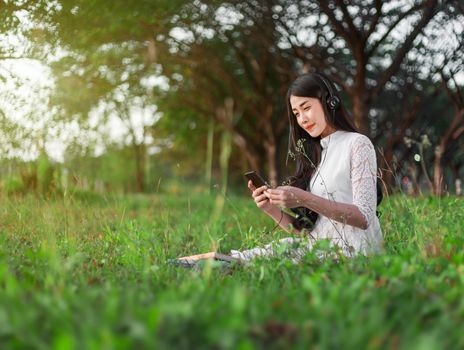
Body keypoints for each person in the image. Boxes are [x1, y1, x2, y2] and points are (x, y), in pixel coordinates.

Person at [229, 72, 383, 262]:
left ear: (330, 102)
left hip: (353, 253)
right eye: (296, 113)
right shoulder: (315, 155)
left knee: (254, 263)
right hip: (316, 248)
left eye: (306, 108)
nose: (302, 119)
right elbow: (305, 233)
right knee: (244, 258)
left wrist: (303, 198)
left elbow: (364, 217)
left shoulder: (358, 144)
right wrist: (270, 208)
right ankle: (186, 265)